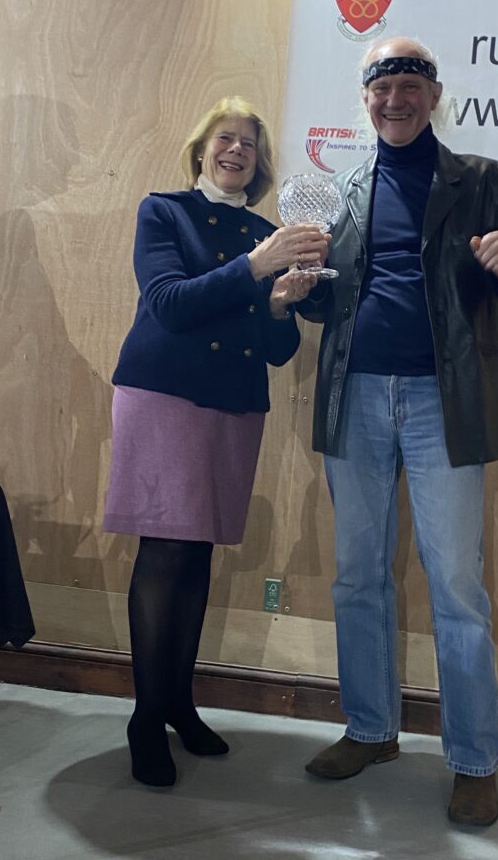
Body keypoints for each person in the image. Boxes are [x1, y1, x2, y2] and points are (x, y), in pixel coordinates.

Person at [299, 37, 498, 826]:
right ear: (366, 98)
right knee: (356, 574)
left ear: (435, 94)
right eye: (383, 85)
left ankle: (473, 758)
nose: (396, 98)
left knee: (455, 587)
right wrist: (299, 289)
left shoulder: (485, 182)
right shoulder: (344, 186)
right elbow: (331, 301)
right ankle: (371, 728)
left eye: (411, 84)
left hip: (443, 404)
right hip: (354, 399)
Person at [103, 96, 327, 787]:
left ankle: (177, 701)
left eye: (250, 146)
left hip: (232, 402)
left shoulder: (268, 231)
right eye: (225, 139)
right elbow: (169, 303)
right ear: (202, 148)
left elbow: (276, 350)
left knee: (197, 552)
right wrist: (258, 268)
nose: (236, 151)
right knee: (165, 548)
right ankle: (145, 716)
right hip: (164, 393)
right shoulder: (162, 211)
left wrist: (283, 304)